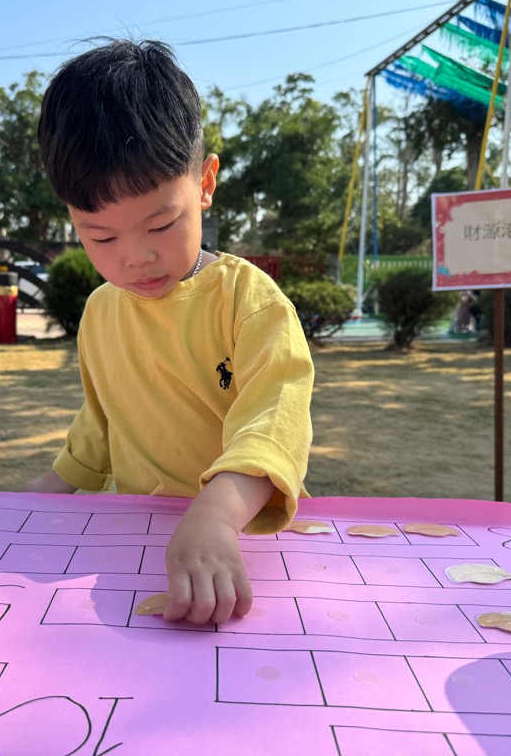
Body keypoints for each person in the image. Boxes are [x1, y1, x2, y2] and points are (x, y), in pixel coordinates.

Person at [23, 39, 314, 626]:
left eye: (160, 224)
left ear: (204, 182)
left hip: (235, 541)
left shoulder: (248, 303)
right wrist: (38, 495)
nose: (136, 257)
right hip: (132, 545)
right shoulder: (101, 311)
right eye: (102, 237)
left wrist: (215, 517)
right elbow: (103, 423)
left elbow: (273, 426)